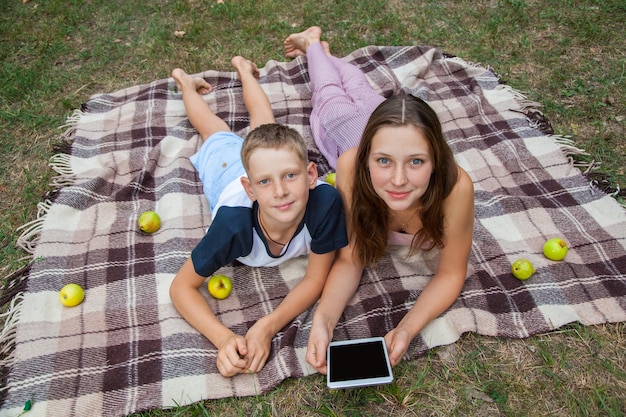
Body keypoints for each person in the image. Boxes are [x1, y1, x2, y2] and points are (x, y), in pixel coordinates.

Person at [284, 27, 475, 372]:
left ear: (436, 159)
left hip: (380, 114)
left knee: (360, 89)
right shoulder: (351, 169)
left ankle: (324, 51)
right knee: (328, 92)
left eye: (416, 162)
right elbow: (351, 258)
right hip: (342, 126)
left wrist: (406, 329)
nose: (398, 180)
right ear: (367, 159)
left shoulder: (456, 187)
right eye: (383, 161)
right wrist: (323, 322)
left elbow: (450, 275)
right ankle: (313, 44)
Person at [169, 56, 348, 378]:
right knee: (215, 132)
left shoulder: (326, 203)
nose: (280, 191)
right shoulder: (232, 226)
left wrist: (267, 326)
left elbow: (315, 278)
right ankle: (185, 81)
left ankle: (243, 70)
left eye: (291, 176)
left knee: (264, 125)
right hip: (226, 172)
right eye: (265, 183)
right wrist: (223, 338)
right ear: (250, 189)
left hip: (261, 163)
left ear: (310, 174)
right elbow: (181, 288)